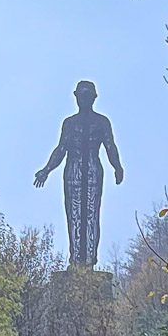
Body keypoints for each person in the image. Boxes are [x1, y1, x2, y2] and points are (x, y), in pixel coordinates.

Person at [34, 79, 123, 266]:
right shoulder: (70, 123)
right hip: (73, 168)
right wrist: (47, 170)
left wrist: (117, 166)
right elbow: (61, 149)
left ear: (94, 98)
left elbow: (110, 146)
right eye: (81, 95)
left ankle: (90, 259)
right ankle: (75, 258)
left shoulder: (101, 122)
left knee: (91, 213)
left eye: (87, 95)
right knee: (73, 214)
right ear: (76, 96)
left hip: (92, 168)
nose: (84, 99)